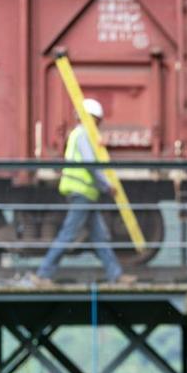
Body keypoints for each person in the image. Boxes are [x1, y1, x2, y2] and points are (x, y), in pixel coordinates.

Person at [33, 98, 135, 285]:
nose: (97, 124)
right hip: (82, 193)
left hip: (86, 194)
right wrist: (106, 185)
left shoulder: (80, 135)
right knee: (68, 234)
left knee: (100, 237)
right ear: (91, 118)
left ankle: (116, 275)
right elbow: (91, 164)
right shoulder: (83, 135)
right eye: (96, 120)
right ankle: (43, 275)